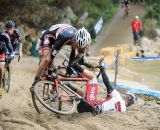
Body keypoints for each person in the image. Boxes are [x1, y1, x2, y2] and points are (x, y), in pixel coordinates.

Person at [68, 57, 136, 115]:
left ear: (128, 98)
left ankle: (75, 65)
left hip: (87, 106)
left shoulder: (118, 97)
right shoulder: (122, 110)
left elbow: (107, 83)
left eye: (125, 95)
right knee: (95, 98)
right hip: (86, 111)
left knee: (93, 77)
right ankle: (70, 87)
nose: (123, 96)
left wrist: (103, 70)